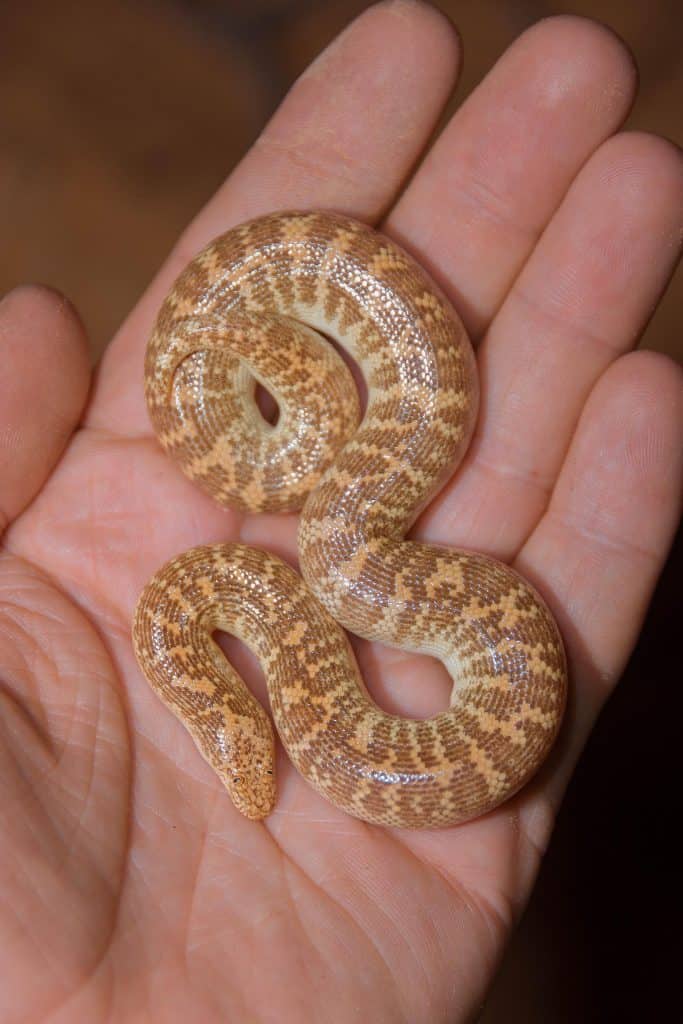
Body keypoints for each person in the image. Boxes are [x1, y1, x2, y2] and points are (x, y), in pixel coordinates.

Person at [0, 3, 681, 1020]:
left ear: (232, 711)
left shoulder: (283, 576)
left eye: (251, 745)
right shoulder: (232, 598)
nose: (268, 761)